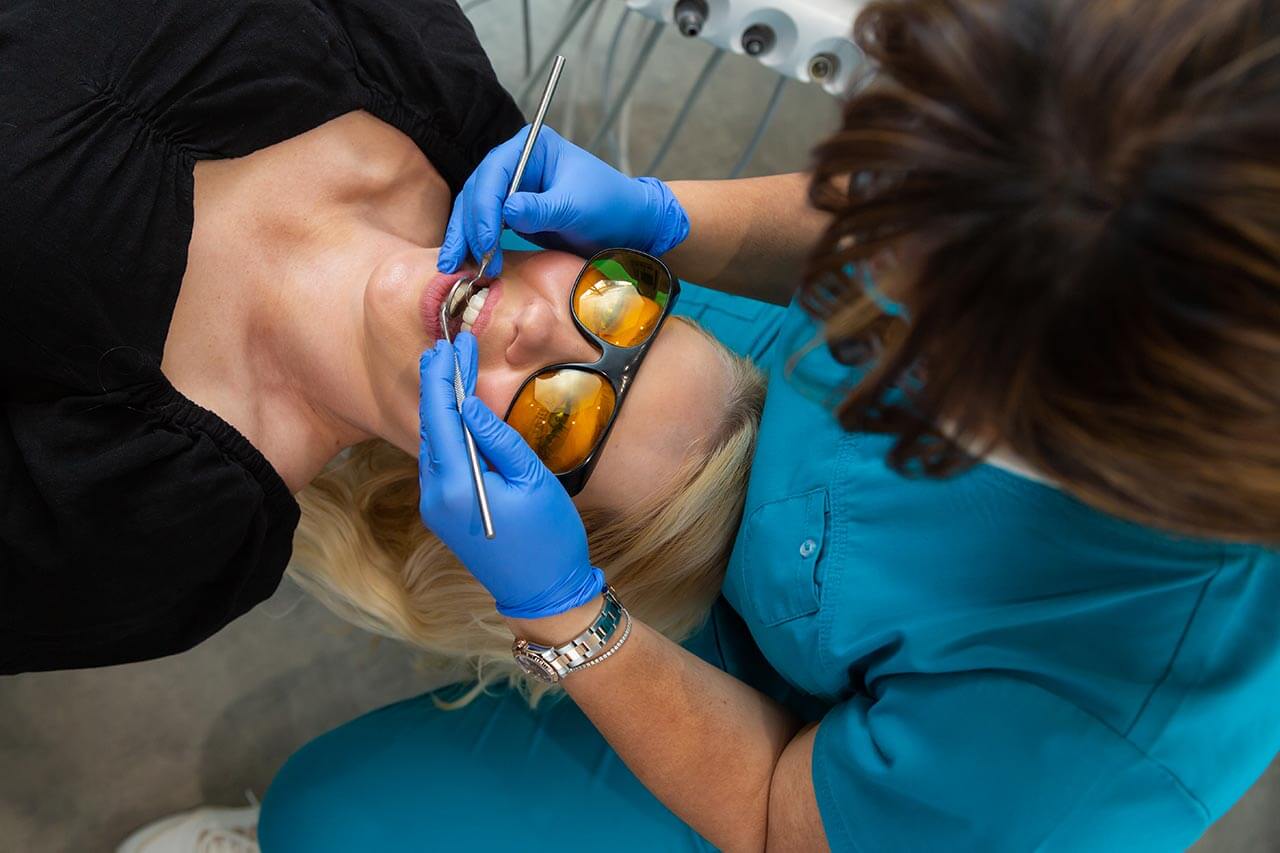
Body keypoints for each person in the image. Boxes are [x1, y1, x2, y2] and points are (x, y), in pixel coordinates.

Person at [261, 0, 1280, 851]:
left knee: (326, 815)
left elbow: (774, 815)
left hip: (817, 779)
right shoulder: (1146, 121)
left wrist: (570, 620)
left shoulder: (1078, 729)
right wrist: (663, 219)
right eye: (620, 302)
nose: (868, 255)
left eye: (909, 289)